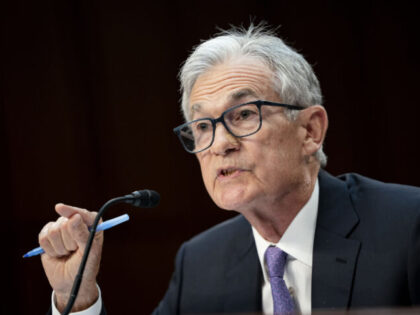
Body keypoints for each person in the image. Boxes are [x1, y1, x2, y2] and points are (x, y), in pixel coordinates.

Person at [40, 24, 420, 315]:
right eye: (203, 126)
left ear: (310, 131)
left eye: (243, 115)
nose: (220, 143)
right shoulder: (202, 263)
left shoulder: (408, 227)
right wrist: (77, 296)